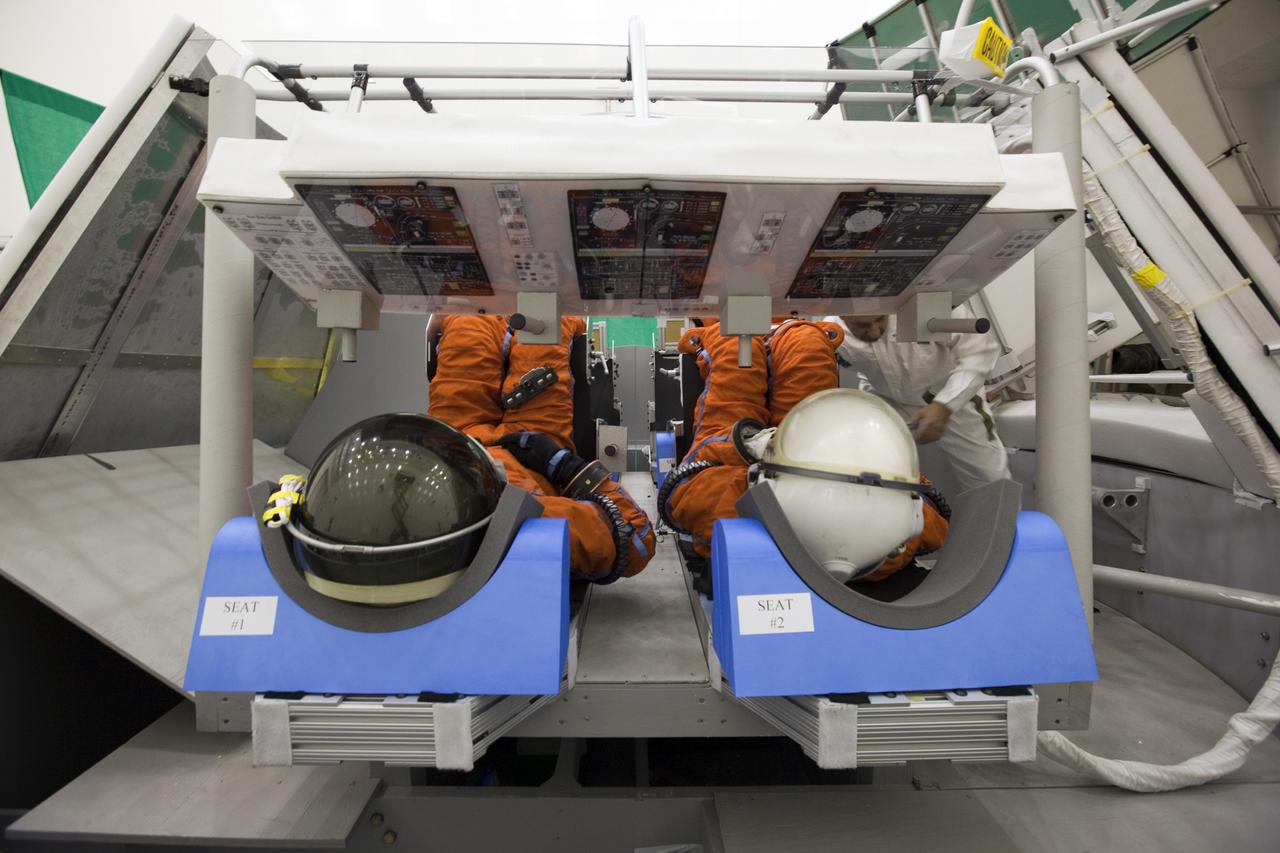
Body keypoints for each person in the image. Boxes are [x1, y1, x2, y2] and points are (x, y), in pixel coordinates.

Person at [659, 318, 948, 584]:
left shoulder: (724, 504)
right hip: (822, 473)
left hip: (770, 471)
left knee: (738, 350)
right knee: (801, 346)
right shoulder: (890, 535)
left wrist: (750, 446)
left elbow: (693, 491)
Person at [427, 314, 655, 583]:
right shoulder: (525, 525)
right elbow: (636, 541)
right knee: (545, 325)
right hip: (530, 455)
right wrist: (563, 466)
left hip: (453, 447)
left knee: (470, 324)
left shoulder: (412, 514)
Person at [827, 305, 1011, 493]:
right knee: (860, 462)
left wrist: (944, 406)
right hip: (889, 401)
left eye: (881, 319)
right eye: (862, 325)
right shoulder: (832, 333)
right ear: (842, 315)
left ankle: (1004, 521)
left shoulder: (930, 303)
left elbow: (981, 352)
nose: (874, 331)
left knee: (989, 480)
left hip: (951, 396)